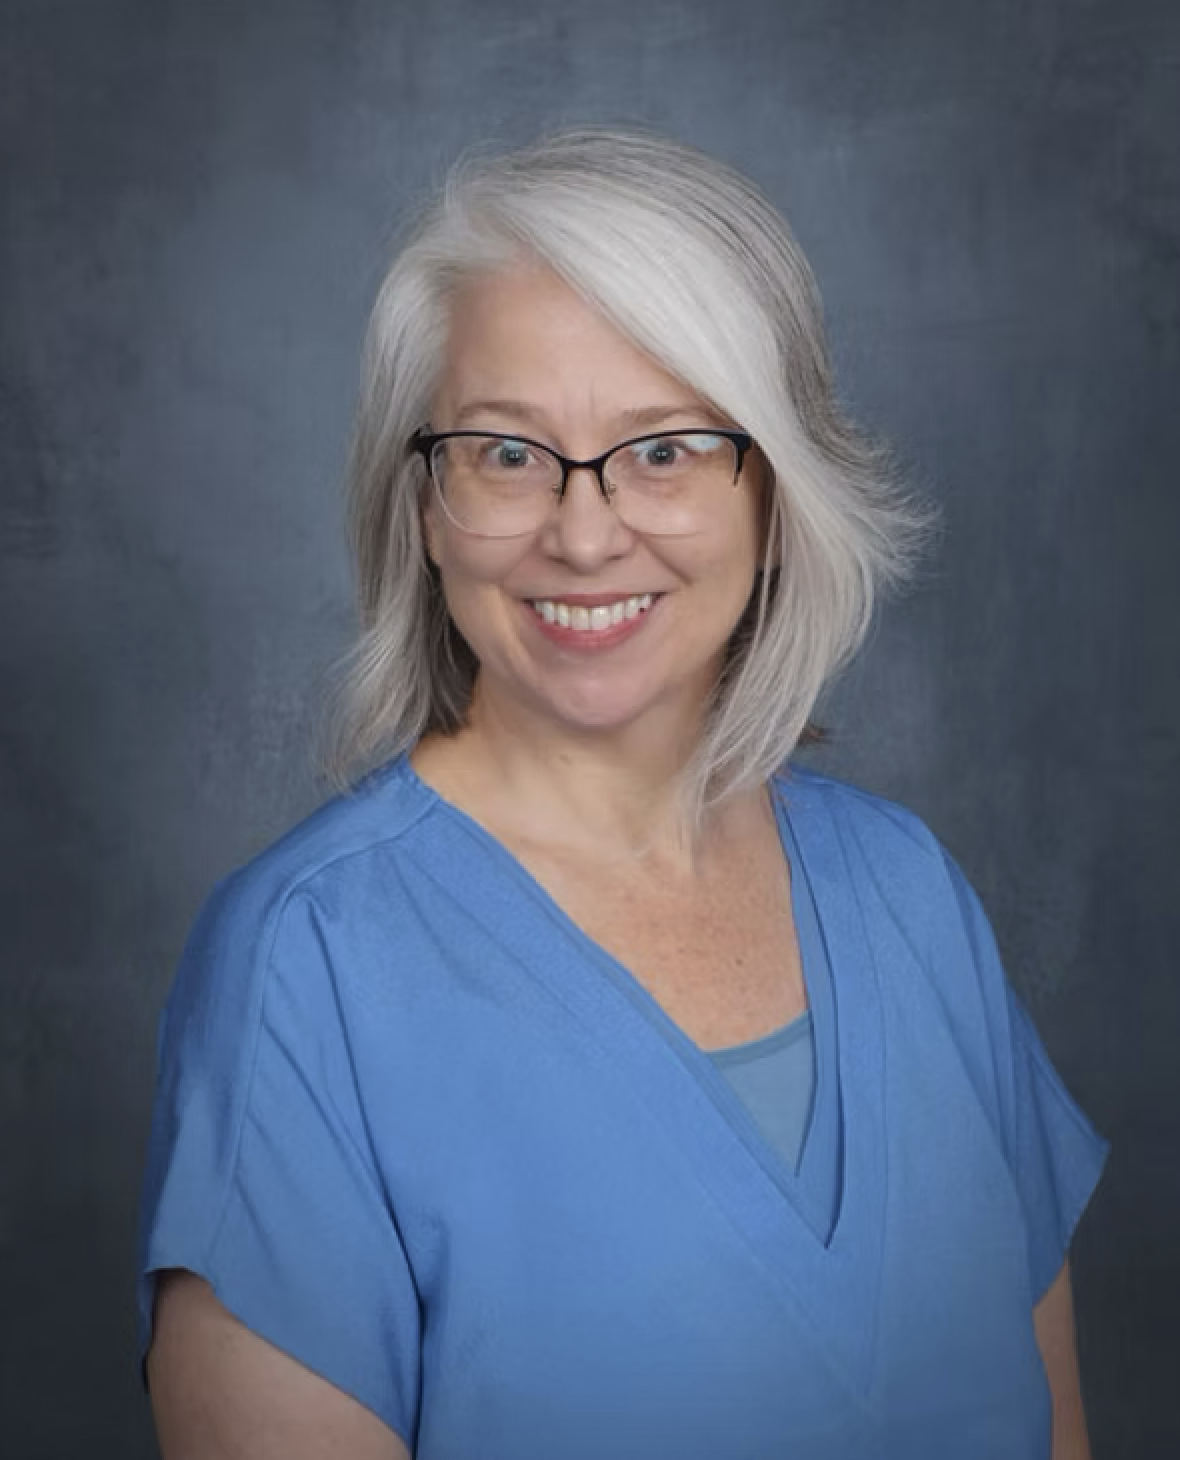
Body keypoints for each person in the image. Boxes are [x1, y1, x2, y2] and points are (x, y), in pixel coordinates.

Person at [137, 128, 1108, 1460]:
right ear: (422, 504)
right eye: (506, 453)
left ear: (777, 491)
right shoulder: (304, 967)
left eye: (664, 451)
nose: (584, 534)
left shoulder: (911, 896)